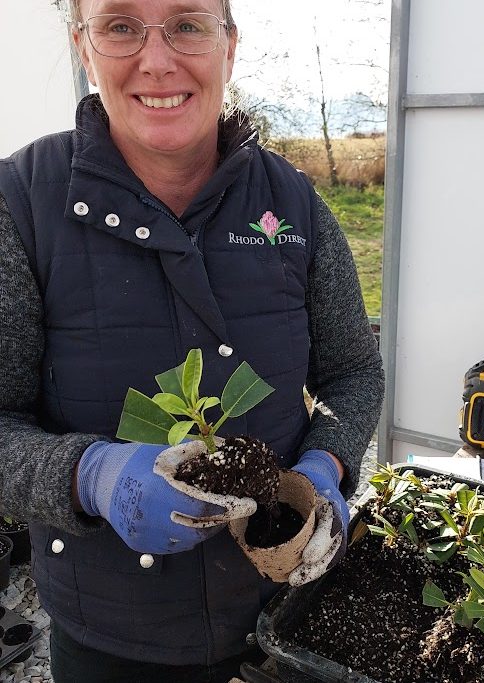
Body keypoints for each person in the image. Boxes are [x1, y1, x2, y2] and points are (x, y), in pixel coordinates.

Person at [0, 0, 384, 680]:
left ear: (228, 47)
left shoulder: (291, 204)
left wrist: (325, 466)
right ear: (82, 48)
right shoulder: (22, 204)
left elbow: (353, 371)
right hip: (112, 638)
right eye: (120, 26)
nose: (157, 59)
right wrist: (90, 476)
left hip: (284, 614)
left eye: (187, 23)